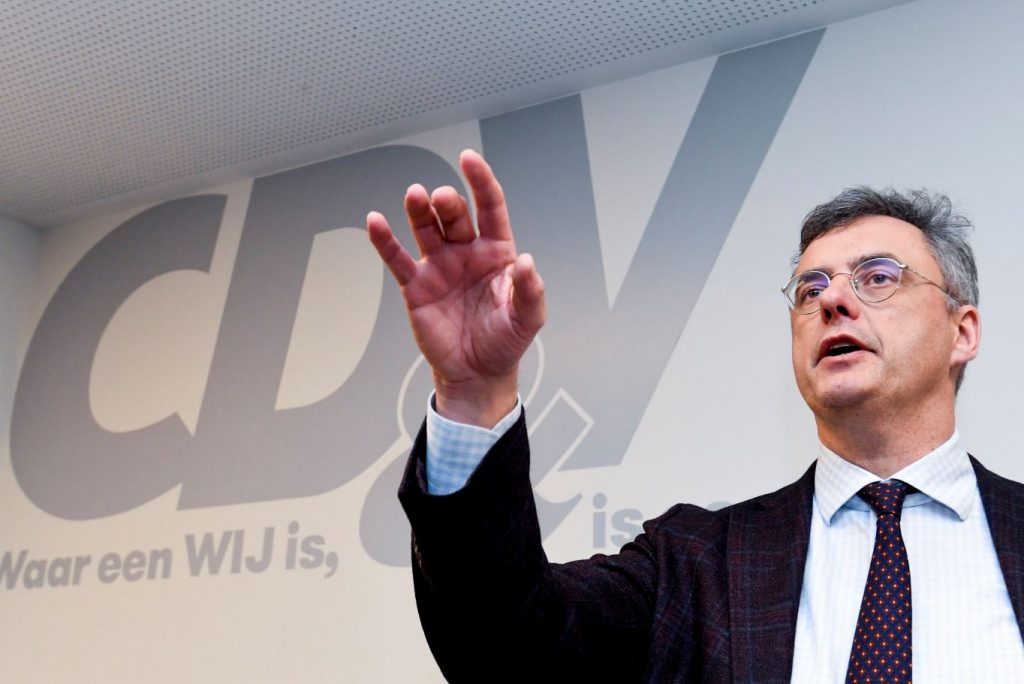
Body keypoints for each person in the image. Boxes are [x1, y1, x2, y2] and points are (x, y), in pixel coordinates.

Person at [366, 150, 1024, 682]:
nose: (833, 303)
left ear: (962, 331)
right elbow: (509, 649)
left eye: (877, 277)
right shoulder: (695, 563)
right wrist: (475, 394)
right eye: (810, 289)